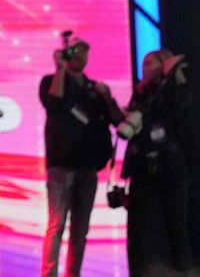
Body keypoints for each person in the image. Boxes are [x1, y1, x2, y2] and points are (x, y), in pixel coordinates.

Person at [38, 36, 123, 277]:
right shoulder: (51, 81)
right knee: (56, 225)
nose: (80, 56)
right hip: (61, 164)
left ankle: (73, 274)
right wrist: (60, 68)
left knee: (80, 229)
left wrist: (107, 97)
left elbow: (117, 121)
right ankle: (49, 274)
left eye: (85, 51)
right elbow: (54, 101)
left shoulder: (93, 89)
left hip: (88, 165)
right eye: (75, 51)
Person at [122, 48, 196, 276]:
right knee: (135, 229)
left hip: (172, 168)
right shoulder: (140, 93)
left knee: (177, 227)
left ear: (163, 66)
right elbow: (130, 125)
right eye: (143, 63)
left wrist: (175, 75)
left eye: (150, 63)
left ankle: (184, 270)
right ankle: (137, 271)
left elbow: (180, 106)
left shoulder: (175, 90)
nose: (144, 68)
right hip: (143, 168)